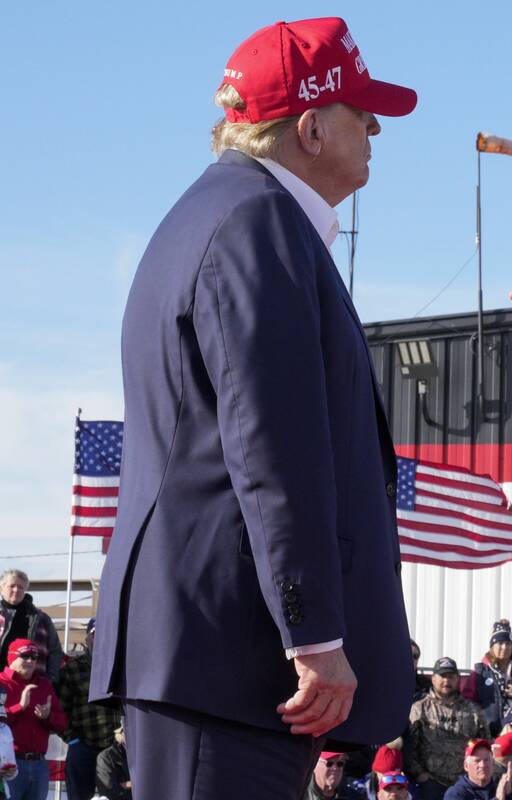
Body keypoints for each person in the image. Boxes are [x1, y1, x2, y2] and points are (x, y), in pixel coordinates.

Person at [89, 16, 421, 798]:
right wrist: (314, 635)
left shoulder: (224, 214)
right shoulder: (255, 223)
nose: (375, 125)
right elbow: (272, 446)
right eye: (359, 109)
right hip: (235, 665)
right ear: (308, 127)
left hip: (217, 664)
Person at [405, 657, 491, 800]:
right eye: (443, 676)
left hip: (464, 784)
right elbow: (410, 747)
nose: (447, 681)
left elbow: (485, 746)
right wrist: (420, 774)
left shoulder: (473, 711)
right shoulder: (419, 709)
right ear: (433, 679)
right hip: (430, 783)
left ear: (457, 679)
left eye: (451, 676)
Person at [58, 618, 121, 800]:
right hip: (83, 747)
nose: (100, 639)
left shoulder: (121, 668)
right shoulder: (72, 669)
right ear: (87, 638)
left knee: (116, 796)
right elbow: (61, 710)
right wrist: (73, 740)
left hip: (115, 748)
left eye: (105, 635)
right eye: (95, 635)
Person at [1, 639, 67, 800]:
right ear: (11, 658)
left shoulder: (44, 685)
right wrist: (19, 707)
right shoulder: (2, 683)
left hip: (39, 764)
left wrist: (47, 717)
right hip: (9, 764)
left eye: (34, 656)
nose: (30, 661)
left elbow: (63, 723)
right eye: (25, 655)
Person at [462, 620, 512, 738]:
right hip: (492, 737)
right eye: (500, 643)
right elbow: (466, 701)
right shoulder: (481, 672)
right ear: (492, 646)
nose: (505, 647)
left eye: (508, 643)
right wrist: (481, 720)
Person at [0, 571, 63, 685]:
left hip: (33, 684)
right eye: (12, 586)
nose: (16, 590)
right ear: (1, 588)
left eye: (21, 587)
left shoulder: (42, 619)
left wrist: (50, 680)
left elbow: (55, 651)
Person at [444, 738, 512, 800]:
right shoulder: (456, 794)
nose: (483, 765)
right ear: (466, 766)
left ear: (493, 763)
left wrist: (510, 795)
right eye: (477, 761)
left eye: (486, 760)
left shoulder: (499, 789)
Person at [94, 721, 132, 800]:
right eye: (124, 731)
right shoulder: (106, 757)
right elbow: (108, 792)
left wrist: (126, 785)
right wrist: (135, 784)